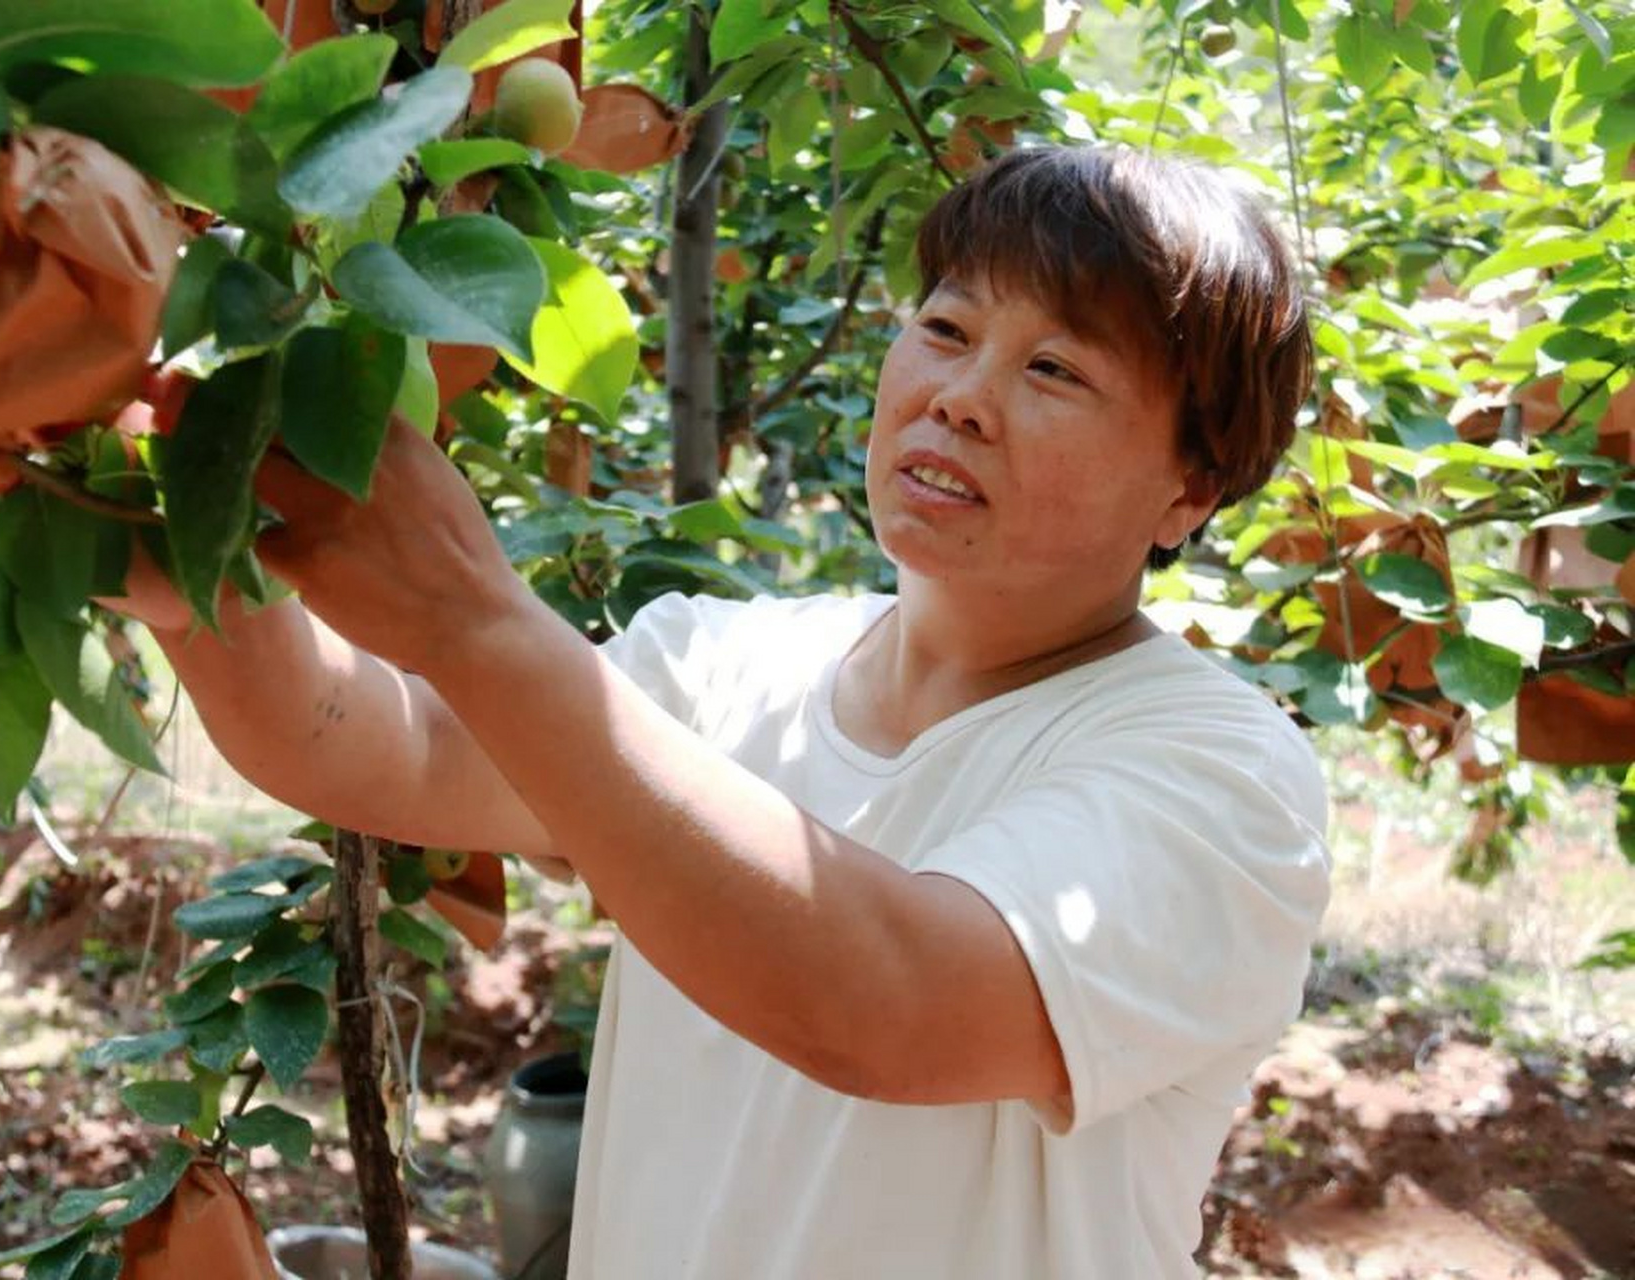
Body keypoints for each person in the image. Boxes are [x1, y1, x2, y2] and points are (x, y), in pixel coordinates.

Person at [111, 145, 1330, 1278]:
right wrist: (207, 572)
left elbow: (883, 1004)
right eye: (946, 326)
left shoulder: (1221, 776)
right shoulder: (728, 660)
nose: (959, 395)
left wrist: (477, 619)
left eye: (1053, 368)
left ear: (1191, 485)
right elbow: (369, 737)